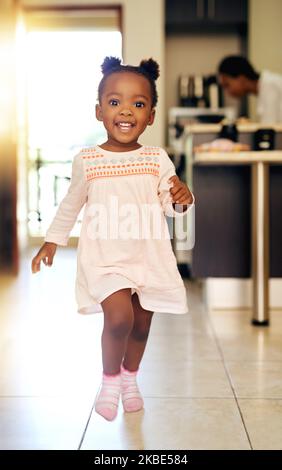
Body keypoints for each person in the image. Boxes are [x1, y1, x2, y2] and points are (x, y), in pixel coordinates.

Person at [31, 56, 195, 422]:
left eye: (138, 104)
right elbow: (72, 202)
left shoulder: (156, 158)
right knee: (118, 318)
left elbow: (172, 205)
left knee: (140, 324)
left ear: (151, 115)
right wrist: (52, 240)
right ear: (99, 111)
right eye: (114, 102)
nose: (126, 111)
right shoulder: (88, 160)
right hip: (104, 259)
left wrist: (182, 199)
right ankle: (109, 382)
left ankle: (130, 379)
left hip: (148, 256)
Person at [218, 55, 282, 123]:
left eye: (227, 85)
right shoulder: (265, 86)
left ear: (241, 78)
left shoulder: (271, 86)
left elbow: (270, 128)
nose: (227, 92)